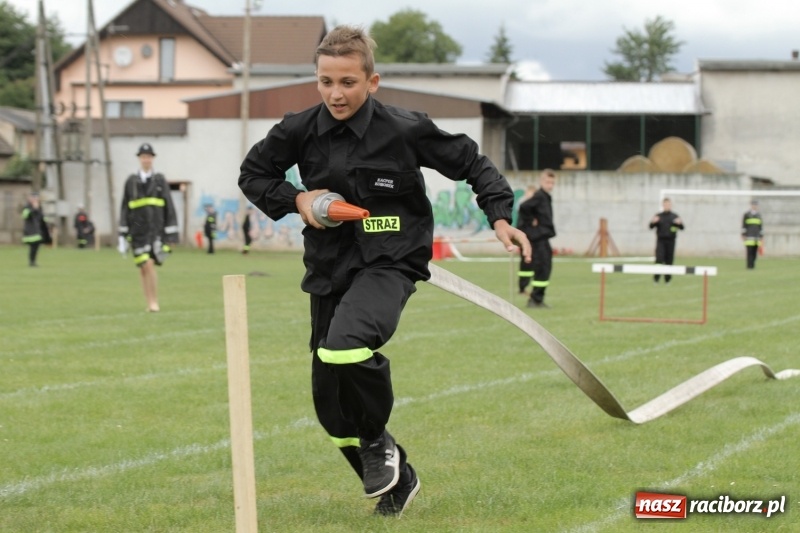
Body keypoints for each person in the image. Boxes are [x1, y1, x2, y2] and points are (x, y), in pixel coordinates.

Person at [239, 25, 531, 518]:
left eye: (348, 82)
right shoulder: (298, 129)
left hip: (391, 261)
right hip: (329, 267)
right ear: (316, 79)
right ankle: (399, 479)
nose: (336, 93)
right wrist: (298, 198)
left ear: (372, 82)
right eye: (326, 81)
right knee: (330, 408)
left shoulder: (405, 128)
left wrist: (500, 216)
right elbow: (253, 175)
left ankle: (376, 440)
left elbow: (473, 165)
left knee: (345, 346)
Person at [118, 142, 179, 312]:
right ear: (139, 159)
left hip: (155, 232)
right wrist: (122, 234)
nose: (146, 160)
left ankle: (154, 302)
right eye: (143, 157)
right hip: (137, 233)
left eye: (149, 157)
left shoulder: (159, 181)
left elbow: (169, 207)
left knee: (149, 264)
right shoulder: (131, 182)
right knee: (143, 267)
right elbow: (124, 208)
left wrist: (172, 234)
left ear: (152, 159)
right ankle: (149, 302)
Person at [516, 170, 557, 308]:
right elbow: (523, 207)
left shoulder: (546, 197)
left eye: (552, 183)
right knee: (542, 268)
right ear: (541, 181)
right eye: (548, 182)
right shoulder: (539, 196)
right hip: (538, 237)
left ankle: (537, 298)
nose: (550, 185)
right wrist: (530, 221)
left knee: (545, 267)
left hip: (543, 236)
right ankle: (535, 299)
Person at [649, 197, 684, 283]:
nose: (667, 206)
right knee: (659, 259)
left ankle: (667, 279)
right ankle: (656, 279)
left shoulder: (674, 216)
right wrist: (653, 222)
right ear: (663, 205)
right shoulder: (659, 216)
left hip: (671, 241)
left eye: (668, 204)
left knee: (669, 260)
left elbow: (682, 227)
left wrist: (679, 223)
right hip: (660, 241)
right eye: (665, 204)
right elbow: (650, 226)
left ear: (671, 205)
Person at [22, 192, 48, 266]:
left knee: (36, 247)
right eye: (34, 198)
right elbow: (25, 215)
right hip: (30, 230)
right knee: (33, 247)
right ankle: (31, 262)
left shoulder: (39, 207)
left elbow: (42, 217)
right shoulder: (27, 207)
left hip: (37, 230)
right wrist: (34, 209)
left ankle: (33, 261)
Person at [742, 199, 763, 269]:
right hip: (749, 237)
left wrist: (761, 236)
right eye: (753, 205)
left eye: (756, 205)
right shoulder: (747, 214)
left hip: (756, 237)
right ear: (751, 205)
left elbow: (760, 227)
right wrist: (743, 234)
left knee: (754, 252)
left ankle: (753, 265)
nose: (754, 206)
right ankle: (749, 266)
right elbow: (744, 225)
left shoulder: (758, 215)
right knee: (749, 252)